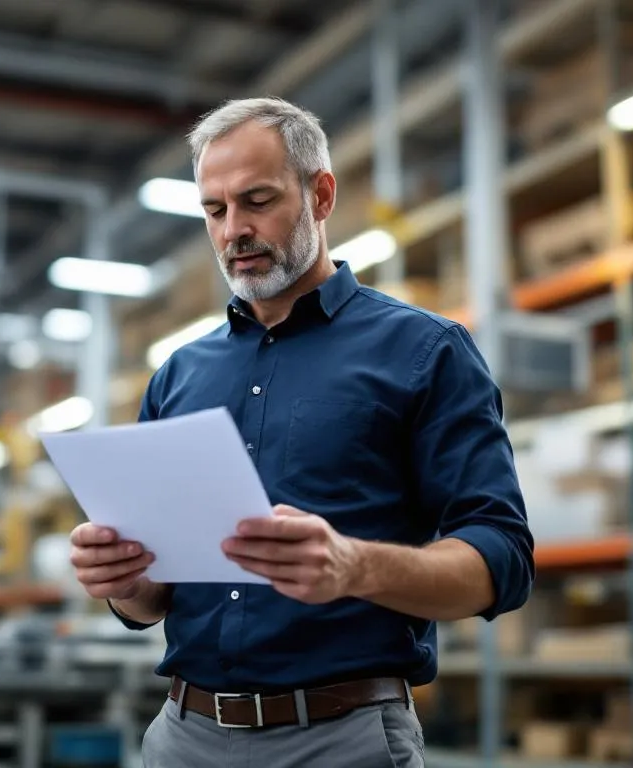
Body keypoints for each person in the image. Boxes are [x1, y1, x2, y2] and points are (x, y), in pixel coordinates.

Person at [68, 97, 535, 767]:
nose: (235, 231)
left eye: (257, 201)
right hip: (183, 735)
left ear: (320, 195)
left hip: (341, 741)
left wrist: (354, 566)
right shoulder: (178, 375)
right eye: (215, 210)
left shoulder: (425, 352)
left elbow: (503, 559)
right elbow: (152, 602)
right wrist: (120, 579)